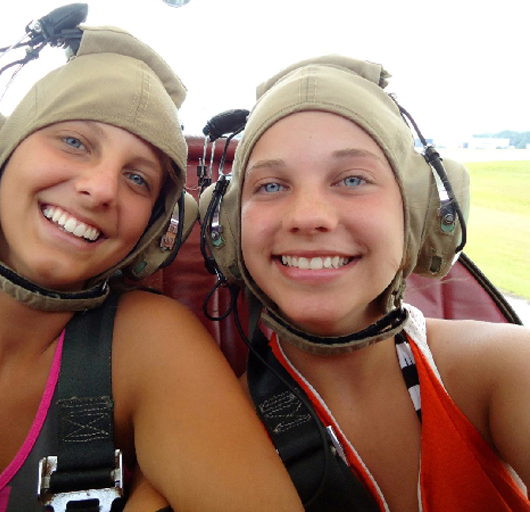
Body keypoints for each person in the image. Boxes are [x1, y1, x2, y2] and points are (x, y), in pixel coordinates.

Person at [0, 25, 303, 511]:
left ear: (152, 239)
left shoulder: (150, 345)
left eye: (137, 179)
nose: (103, 188)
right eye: (74, 141)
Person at [199, 55, 530, 511]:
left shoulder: (507, 368)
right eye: (272, 186)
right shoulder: (209, 423)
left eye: (352, 179)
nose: (308, 217)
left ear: (419, 212)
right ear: (227, 232)